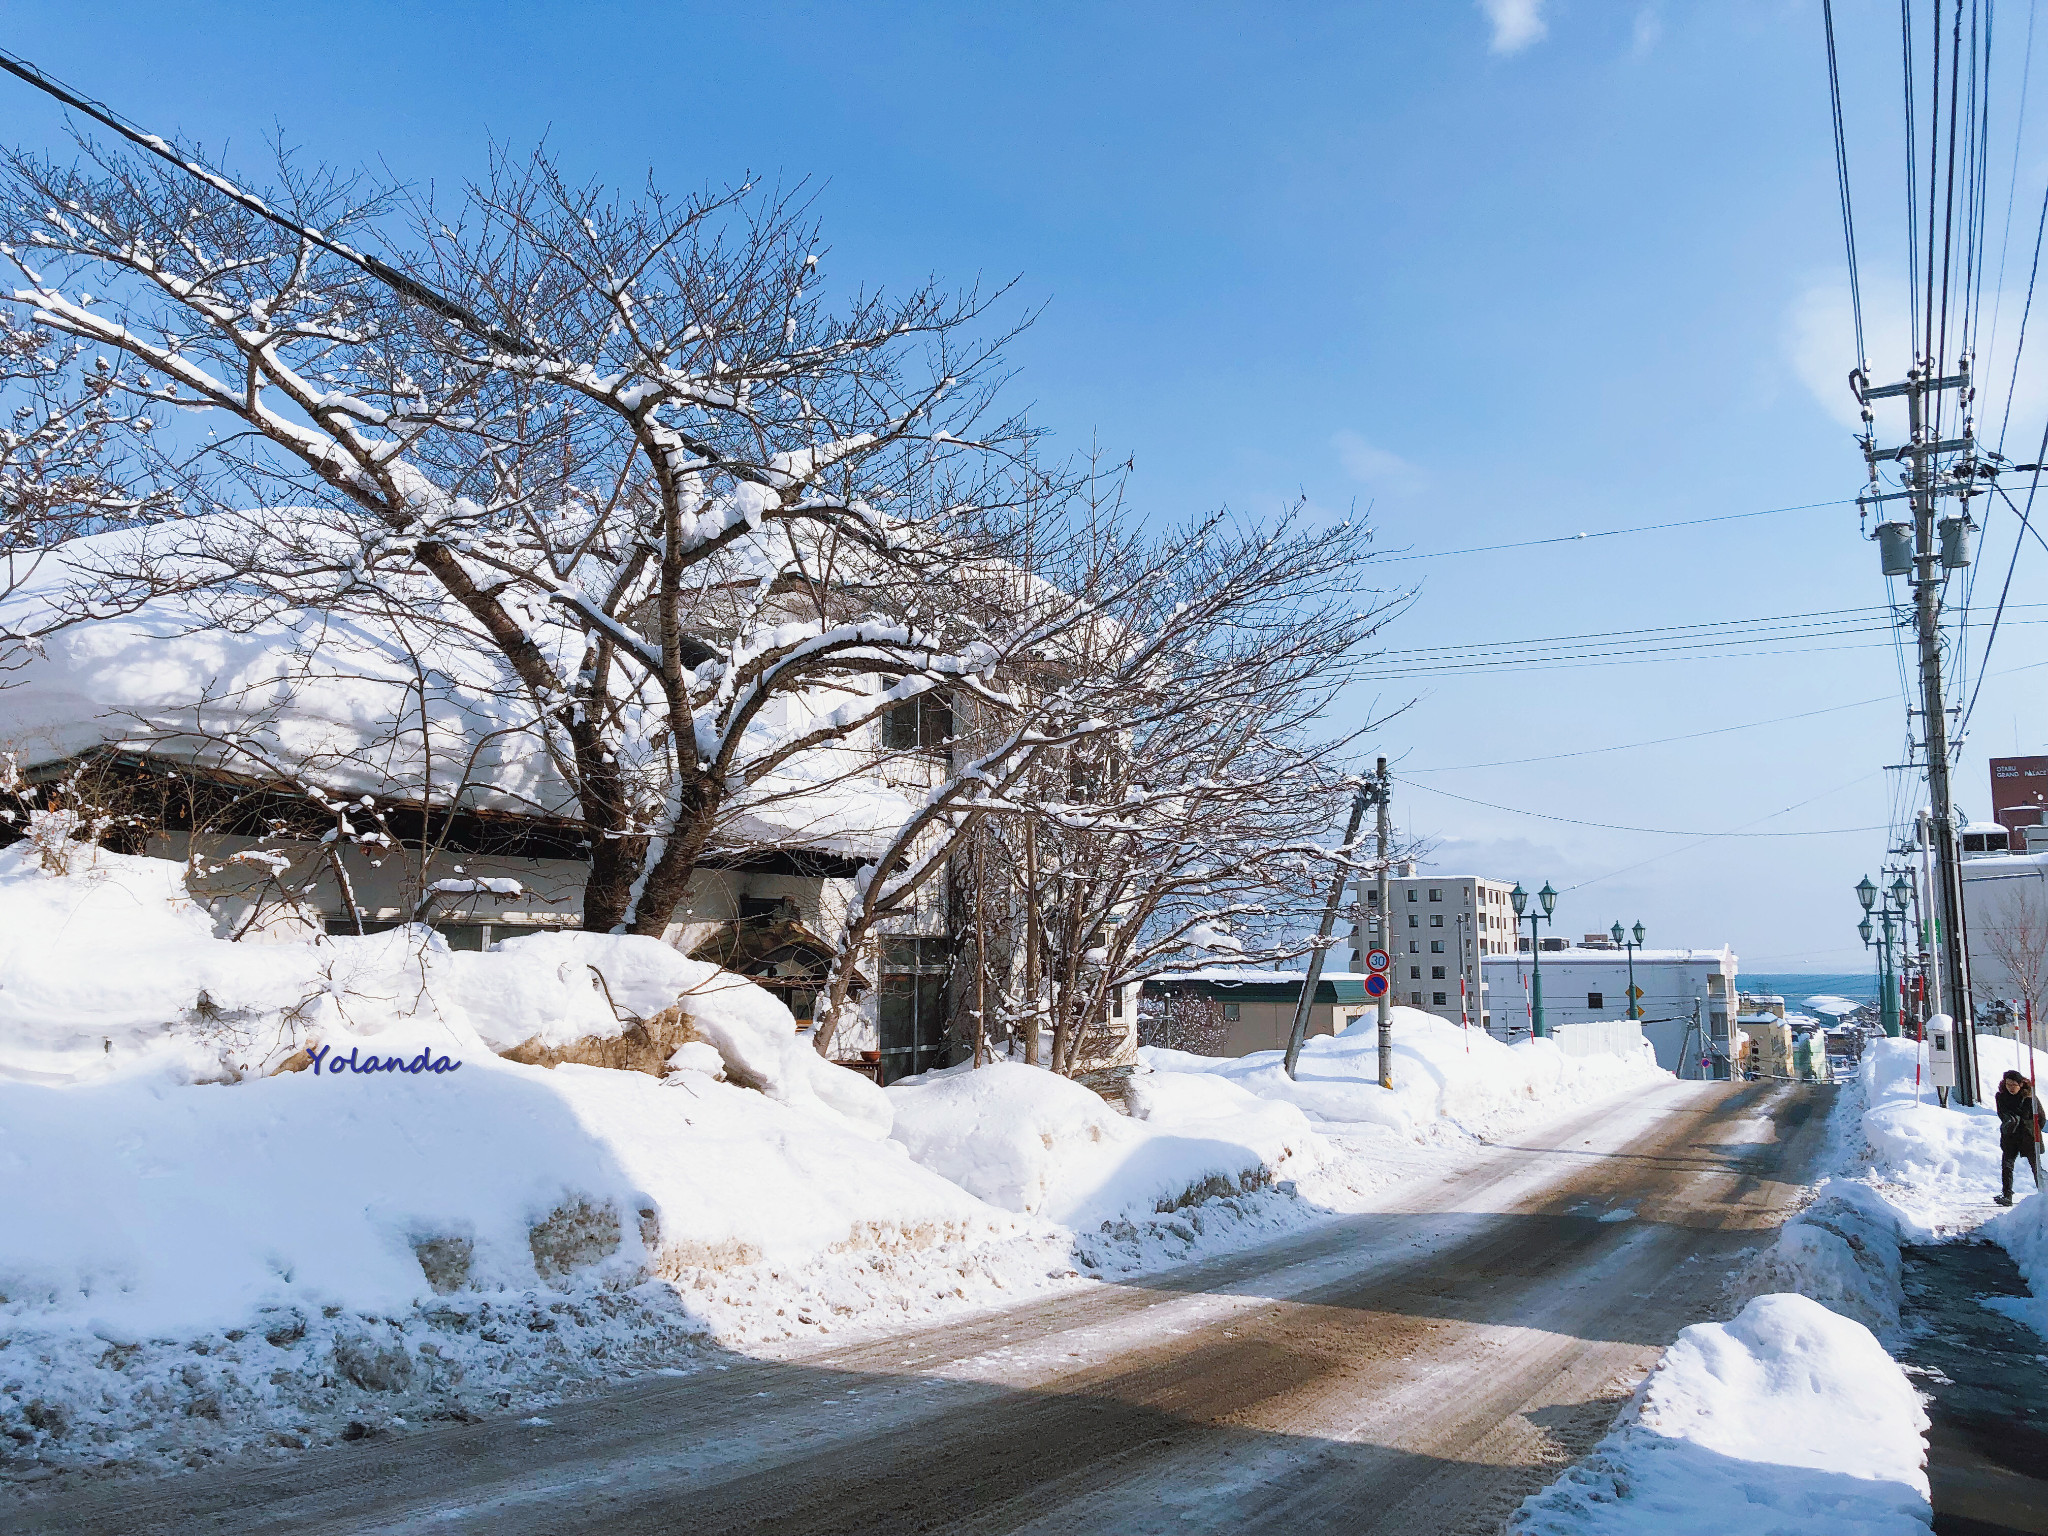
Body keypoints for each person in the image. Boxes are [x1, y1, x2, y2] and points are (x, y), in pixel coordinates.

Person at [1995, 1069, 2045, 1207]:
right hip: (2010, 1136)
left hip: (2028, 1136)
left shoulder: (2029, 1097)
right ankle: (2007, 1195)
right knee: (2007, 1165)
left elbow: (2041, 1118)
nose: (2010, 1087)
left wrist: (2031, 1129)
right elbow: (2001, 1114)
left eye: (2013, 1085)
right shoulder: (2001, 1096)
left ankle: (2044, 1193)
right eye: (2008, 1084)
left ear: (2020, 1084)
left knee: (2035, 1166)